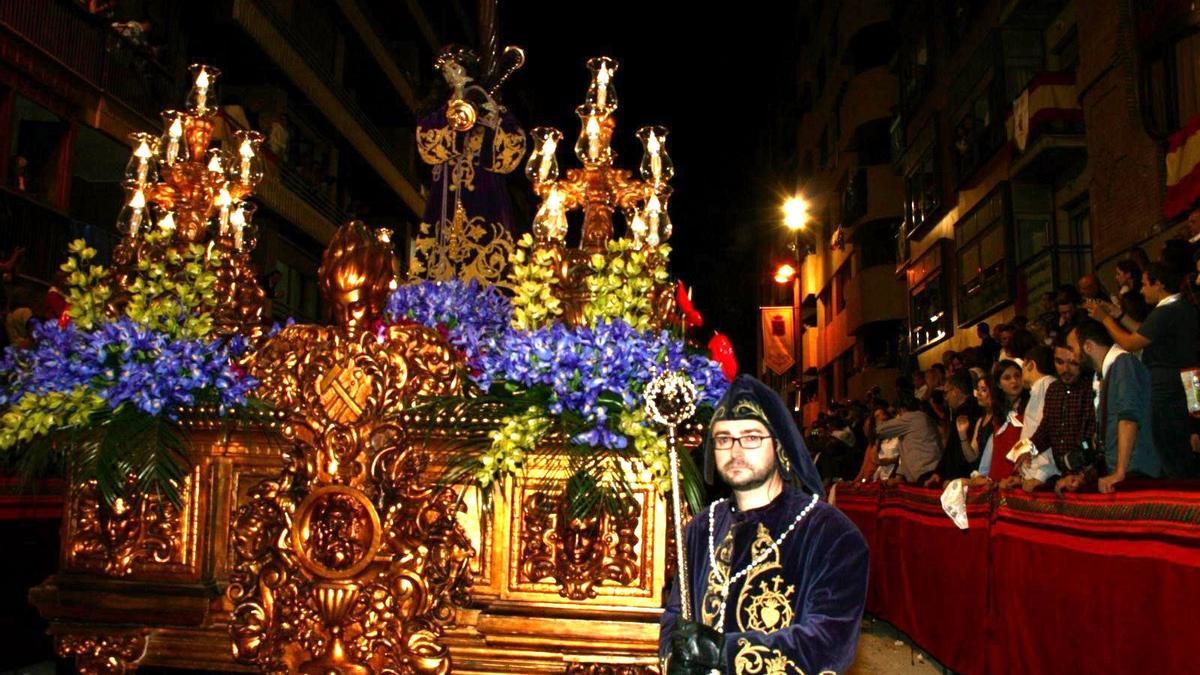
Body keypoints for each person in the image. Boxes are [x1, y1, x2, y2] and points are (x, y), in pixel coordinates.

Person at [661, 376, 868, 674]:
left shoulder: (831, 534)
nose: (735, 451)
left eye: (751, 437)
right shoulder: (700, 527)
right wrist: (674, 658)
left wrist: (723, 652)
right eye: (723, 439)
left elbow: (828, 643)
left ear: (780, 445)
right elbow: (675, 615)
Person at [1087, 262, 1199, 477]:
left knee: (1173, 455)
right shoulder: (1183, 307)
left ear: (1159, 285)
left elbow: (1130, 343)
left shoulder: (1165, 311)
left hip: (1167, 390)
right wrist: (1119, 315)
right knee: (1187, 448)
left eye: (1145, 284)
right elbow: (1145, 332)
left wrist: (1105, 320)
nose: (1141, 289)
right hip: (1188, 381)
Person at [1067, 319, 1162, 492]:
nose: (1072, 357)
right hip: (1125, 471)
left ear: (1088, 346)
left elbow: (1128, 419)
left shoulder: (1123, 363)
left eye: (1072, 349)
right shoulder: (1105, 374)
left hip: (1136, 472)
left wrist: (1120, 472)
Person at [1013, 338, 1098, 492]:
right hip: (1064, 474)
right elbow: (1046, 429)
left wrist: (1081, 473)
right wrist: (1029, 449)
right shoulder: (1054, 390)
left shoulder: (1090, 388)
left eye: (1072, 363)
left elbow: (1091, 438)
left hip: (1089, 475)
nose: (1065, 369)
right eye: (1059, 362)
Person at [927, 370, 984, 484]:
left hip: (967, 476)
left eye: (946, 393)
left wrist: (952, 477)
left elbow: (958, 451)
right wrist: (939, 472)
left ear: (956, 391)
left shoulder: (966, 413)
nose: (945, 398)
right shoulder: (963, 411)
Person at [976, 360, 1029, 482]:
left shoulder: (1030, 406)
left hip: (1019, 477)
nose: (1014, 381)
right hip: (998, 477)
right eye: (1007, 378)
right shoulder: (999, 412)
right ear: (999, 384)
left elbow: (1033, 442)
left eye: (1017, 375)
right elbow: (994, 447)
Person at [875, 394, 943, 484]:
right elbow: (906, 453)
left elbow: (880, 430)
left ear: (901, 408)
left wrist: (879, 418)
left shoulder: (910, 417)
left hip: (926, 471)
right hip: (932, 469)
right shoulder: (921, 417)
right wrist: (899, 477)